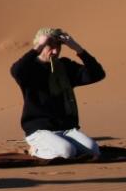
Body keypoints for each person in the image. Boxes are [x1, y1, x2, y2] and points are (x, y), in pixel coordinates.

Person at [10, 27, 106, 160]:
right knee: (67, 151)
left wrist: (78, 49)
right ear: (39, 45)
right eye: (50, 46)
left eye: (58, 47)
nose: (55, 51)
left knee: (93, 150)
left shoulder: (65, 67)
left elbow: (97, 74)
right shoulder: (29, 69)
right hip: (39, 130)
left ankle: (58, 146)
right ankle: (35, 149)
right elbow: (16, 70)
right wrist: (38, 47)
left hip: (66, 128)